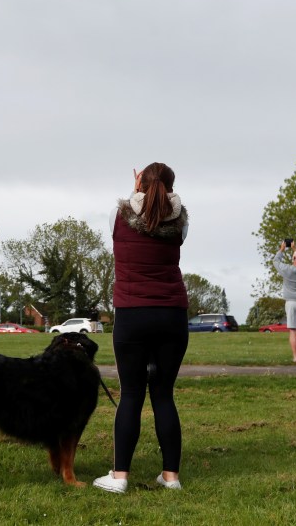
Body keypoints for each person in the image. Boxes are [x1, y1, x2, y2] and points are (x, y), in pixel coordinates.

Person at [94, 163, 189, 494]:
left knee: (131, 394)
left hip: (132, 314)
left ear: (139, 184)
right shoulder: (182, 221)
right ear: (171, 186)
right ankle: (171, 478)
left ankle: (119, 478)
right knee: (163, 395)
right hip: (172, 314)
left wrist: (136, 189)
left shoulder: (116, 215)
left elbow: (137, 212)